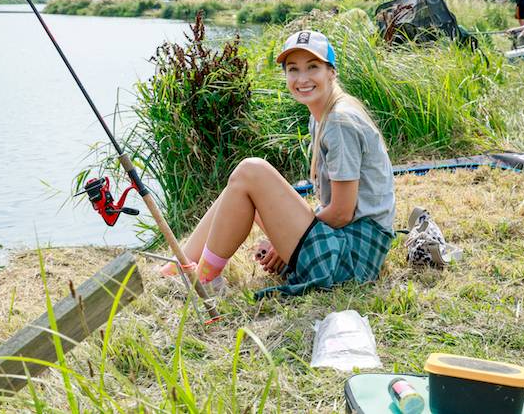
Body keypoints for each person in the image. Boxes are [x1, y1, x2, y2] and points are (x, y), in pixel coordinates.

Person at [160, 30, 396, 298]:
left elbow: (342, 212)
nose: (302, 78)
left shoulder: (340, 122)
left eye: (313, 67)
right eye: (293, 69)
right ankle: (177, 269)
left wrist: (278, 241)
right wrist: (288, 233)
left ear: (331, 72)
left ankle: (203, 280)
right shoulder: (323, 115)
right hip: (348, 243)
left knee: (251, 170)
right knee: (240, 187)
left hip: (353, 256)